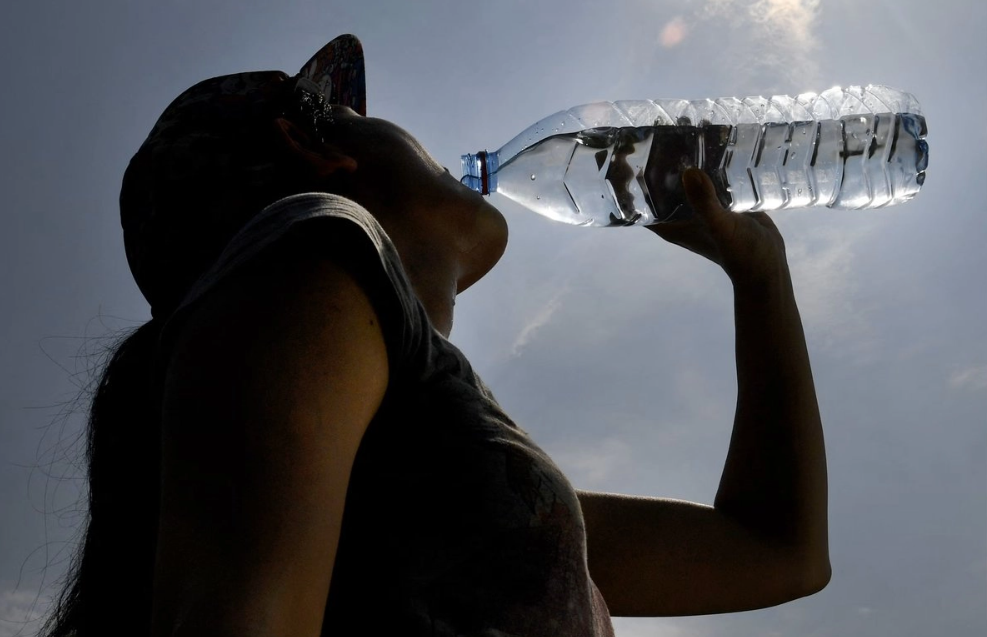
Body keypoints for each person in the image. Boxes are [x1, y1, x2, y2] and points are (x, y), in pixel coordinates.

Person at [41, 35, 830, 637]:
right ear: (317, 147)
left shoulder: (459, 478)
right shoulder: (315, 255)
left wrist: (758, 273)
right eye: (358, 115)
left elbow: (775, 553)